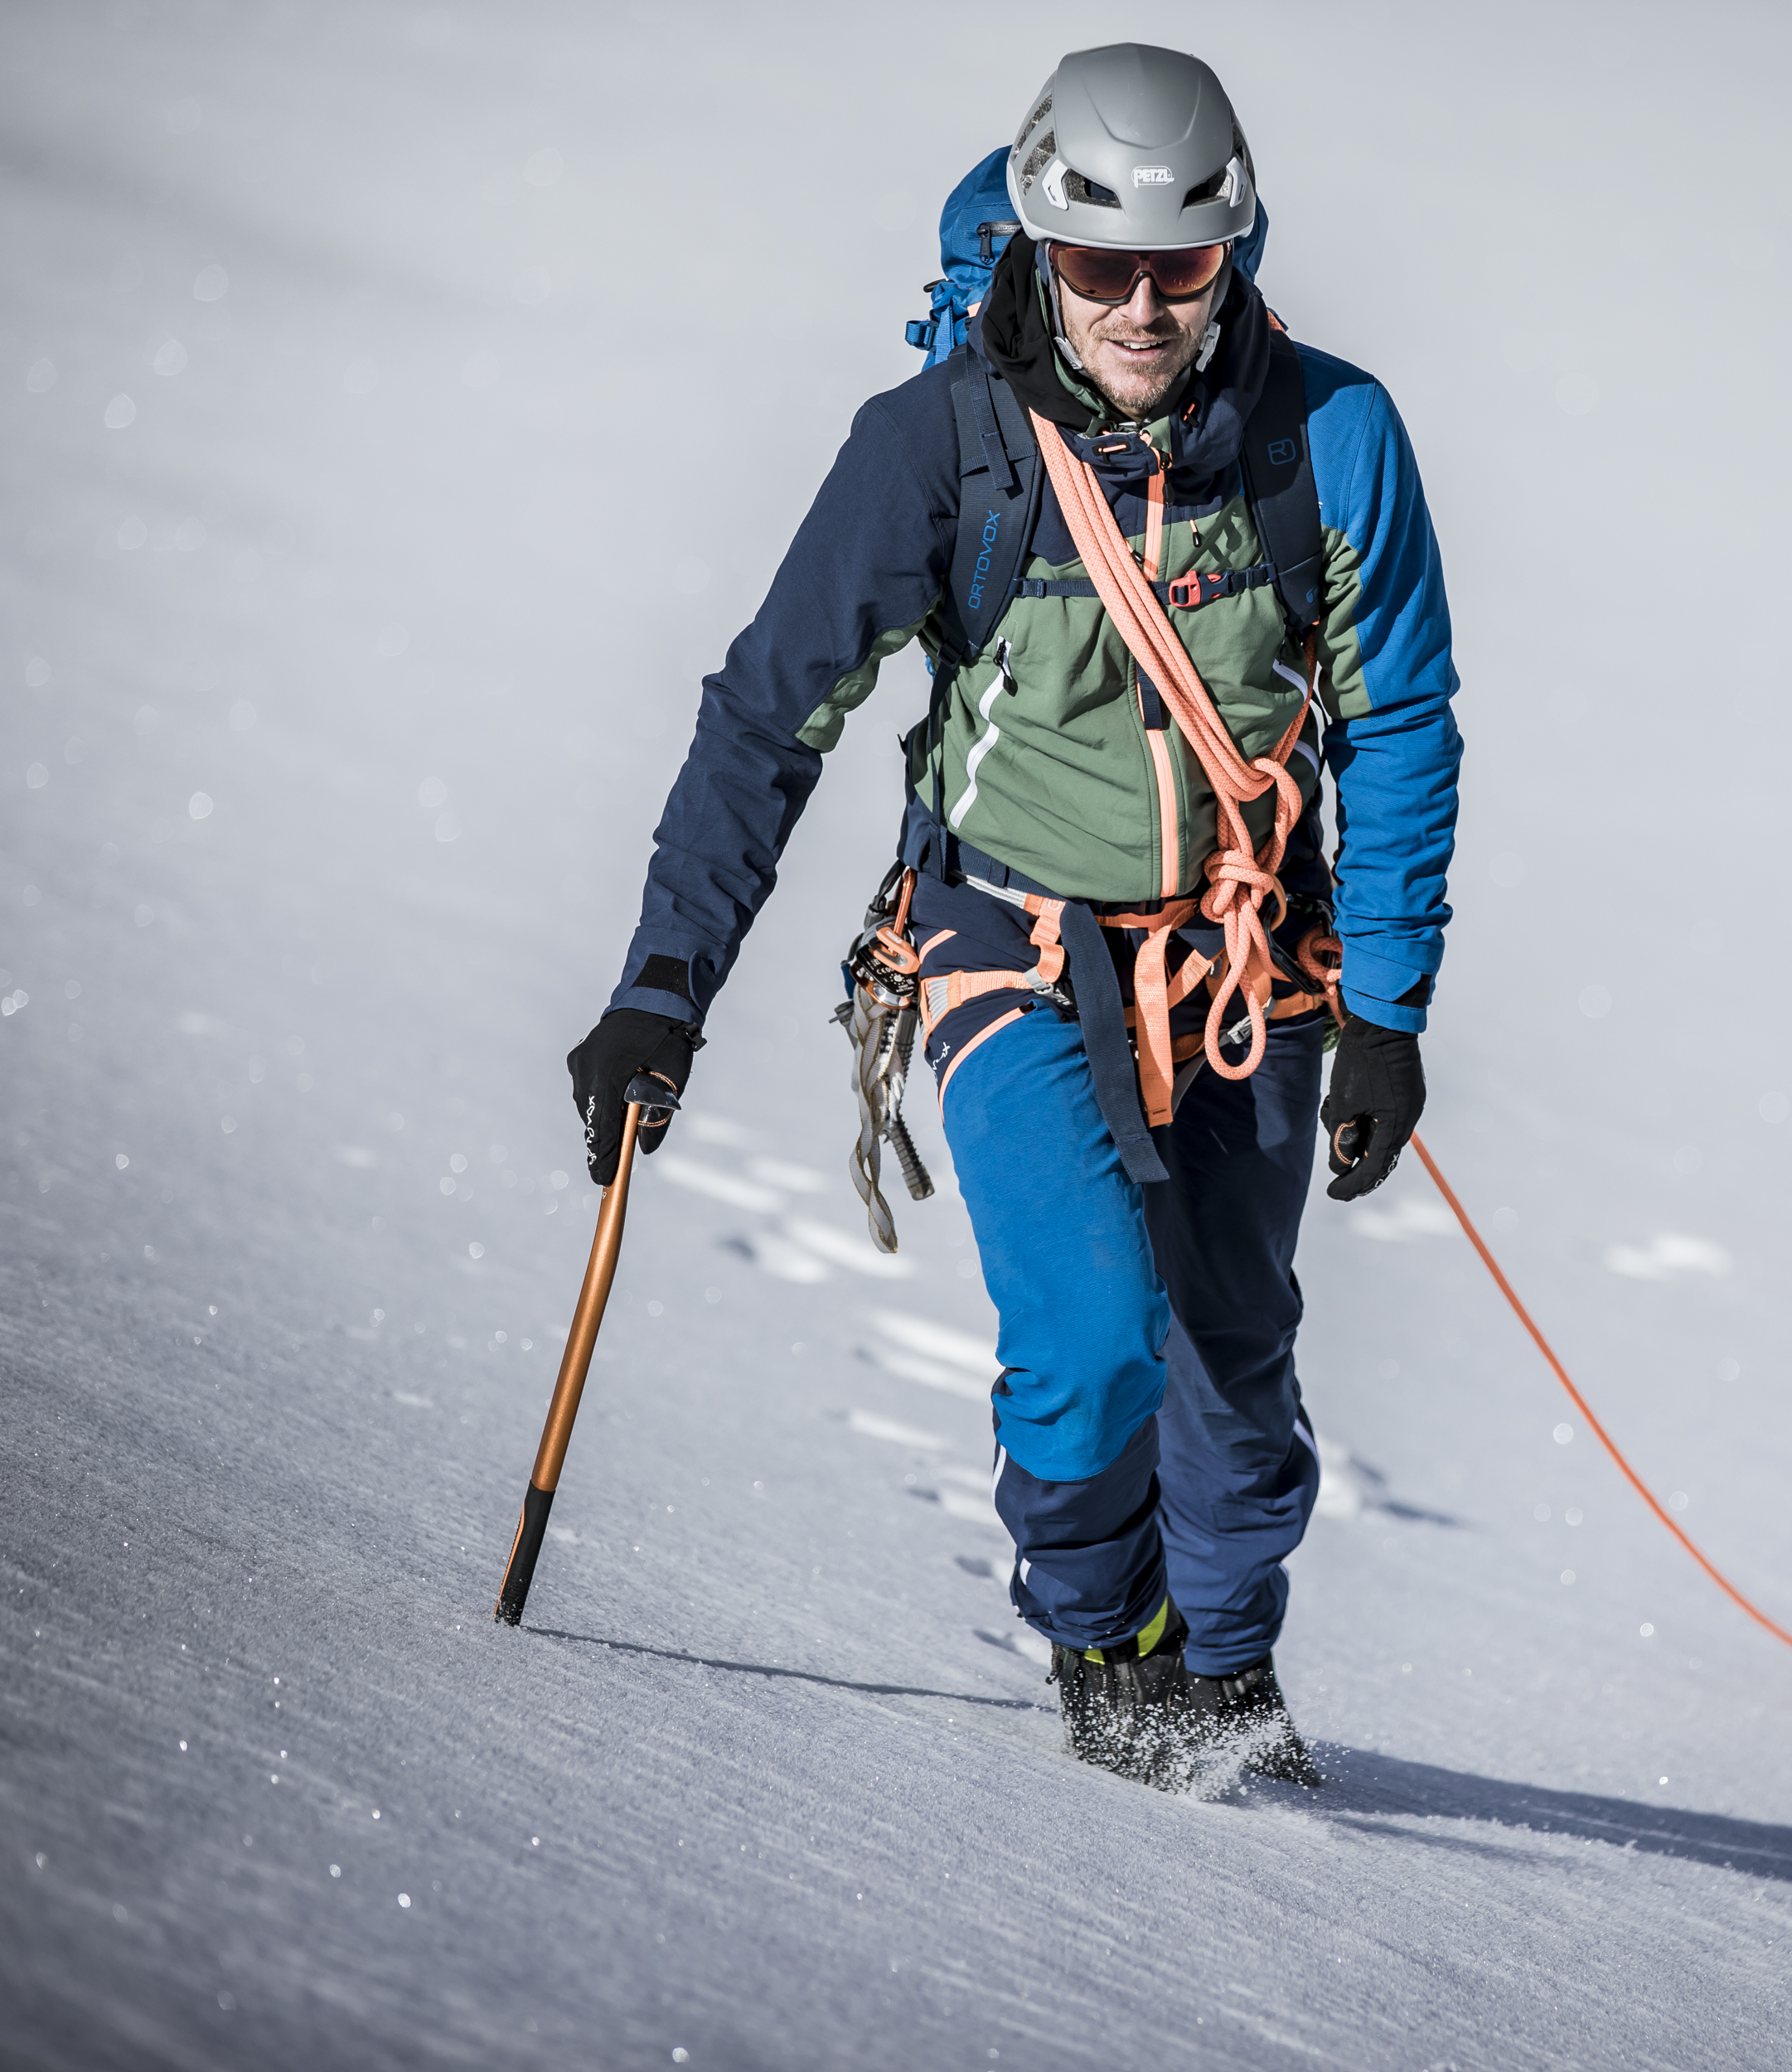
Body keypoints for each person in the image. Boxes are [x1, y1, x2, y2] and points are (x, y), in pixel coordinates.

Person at [564, 44, 1463, 1789]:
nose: (1141, 305)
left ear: (1236, 250)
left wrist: (1390, 1007)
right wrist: (665, 983)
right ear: (1040, 246)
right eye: (1101, 263)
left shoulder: (1334, 437)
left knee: (1236, 1368)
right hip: (1005, 938)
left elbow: (1402, 719)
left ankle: (1229, 1681)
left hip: (1246, 957)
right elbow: (771, 715)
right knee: (1091, 1338)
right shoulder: (936, 447)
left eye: (1180, 264)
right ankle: (1107, 1648)